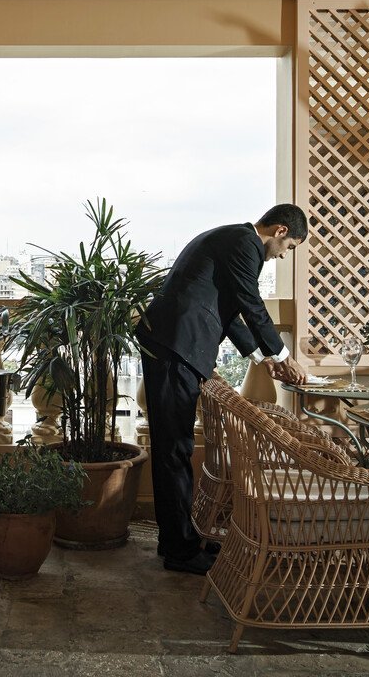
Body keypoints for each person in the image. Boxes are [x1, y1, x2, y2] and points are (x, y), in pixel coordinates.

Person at [136, 203, 309, 574]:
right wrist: (283, 355)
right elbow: (251, 303)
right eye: (289, 247)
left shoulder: (232, 239)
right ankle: (180, 551)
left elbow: (229, 312)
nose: (283, 255)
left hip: (175, 344)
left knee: (175, 448)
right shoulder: (244, 244)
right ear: (280, 230)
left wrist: (261, 357)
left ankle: (178, 541)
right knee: (174, 449)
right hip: (175, 345)